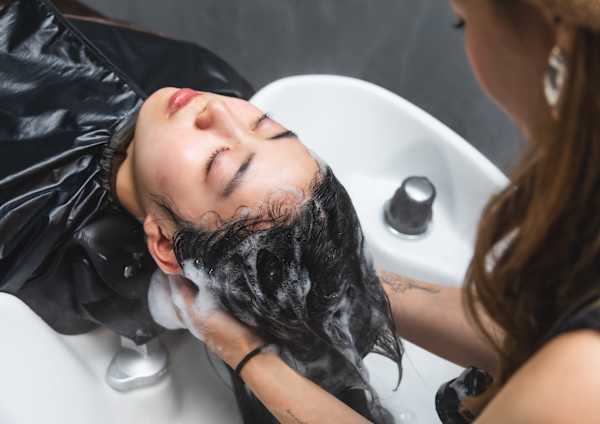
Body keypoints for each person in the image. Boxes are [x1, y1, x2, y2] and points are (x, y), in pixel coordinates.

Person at [168, 0, 600, 423]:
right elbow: (524, 329)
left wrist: (247, 356)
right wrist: (337, 281)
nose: (216, 108)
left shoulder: (580, 382)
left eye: (463, 23)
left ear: (557, 40)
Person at [0, 0, 403, 422]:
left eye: (217, 162)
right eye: (265, 125)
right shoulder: (204, 82)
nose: (220, 110)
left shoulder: (27, 231)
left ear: (163, 244)